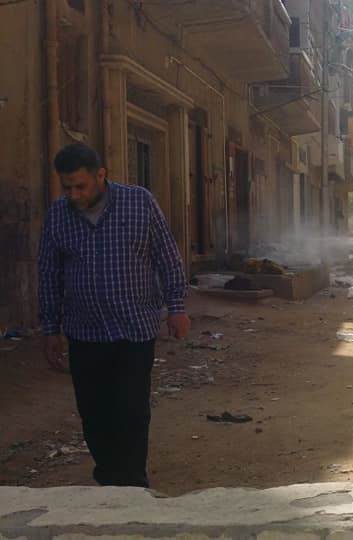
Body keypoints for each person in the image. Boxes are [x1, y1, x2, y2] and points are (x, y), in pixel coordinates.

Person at [38, 142, 190, 488]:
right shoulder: (58, 215)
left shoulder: (140, 203)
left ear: (101, 175)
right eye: (67, 187)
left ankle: (133, 483)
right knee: (94, 413)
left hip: (134, 328)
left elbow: (167, 257)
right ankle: (108, 478)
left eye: (81, 186)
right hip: (85, 332)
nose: (74, 195)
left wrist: (177, 308)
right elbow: (49, 273)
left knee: (132, 410)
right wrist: (50, 329)